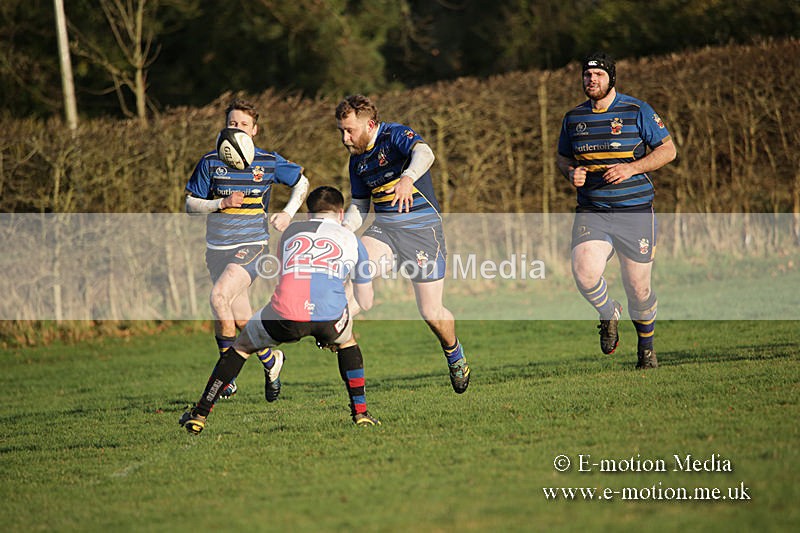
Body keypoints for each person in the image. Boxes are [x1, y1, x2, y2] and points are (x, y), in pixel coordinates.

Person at [180, 186, 380, 434]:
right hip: (330, 316)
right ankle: (361, 413)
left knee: (241, 347)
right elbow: (367, 301)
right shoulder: (352, 239)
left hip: (286, 313)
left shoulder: (289, 233)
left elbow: (284, 276)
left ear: (308, 215)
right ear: (341, 213)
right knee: (347, 341)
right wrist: (335, 320)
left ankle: (200, 414)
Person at [334, 94, 470, 393]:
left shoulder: (394, 134)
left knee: (431, 312)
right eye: (341, 131)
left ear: (370, 125)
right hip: (385, 229)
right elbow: (359, 205)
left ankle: (454, 353)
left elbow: (426, 153)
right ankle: (334, 322)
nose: (345, 138)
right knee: (359, 269)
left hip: (421, 231)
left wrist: (407, 177)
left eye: (350, 130)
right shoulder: (357, 160)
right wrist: (344, 230)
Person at [556, 52, 677, 369]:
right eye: (586, 75)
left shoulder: (636, 110)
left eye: (597, 75)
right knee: (584, 274)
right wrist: (570, 173)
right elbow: (562, 158)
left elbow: (668, 150)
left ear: (611, 78)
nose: (591, 80)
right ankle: (608, 312)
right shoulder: (572, 119)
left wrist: (632, 168)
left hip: (634, 211)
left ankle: (646, 348)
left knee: (639, 289)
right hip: (592, 209)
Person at [185, 98, 309, 398]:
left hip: (252, 246)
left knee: (218, 297)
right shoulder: (209, 162)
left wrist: (289, 212)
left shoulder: (267, 161)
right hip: (216, 249)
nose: (236, 128)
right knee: (240, 318)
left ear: (254, 130)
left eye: (243, 124)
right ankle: (271, 359)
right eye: (231, 123)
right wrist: (220, 204)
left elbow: (302, 182)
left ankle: (225, 377)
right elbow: (190, 205)